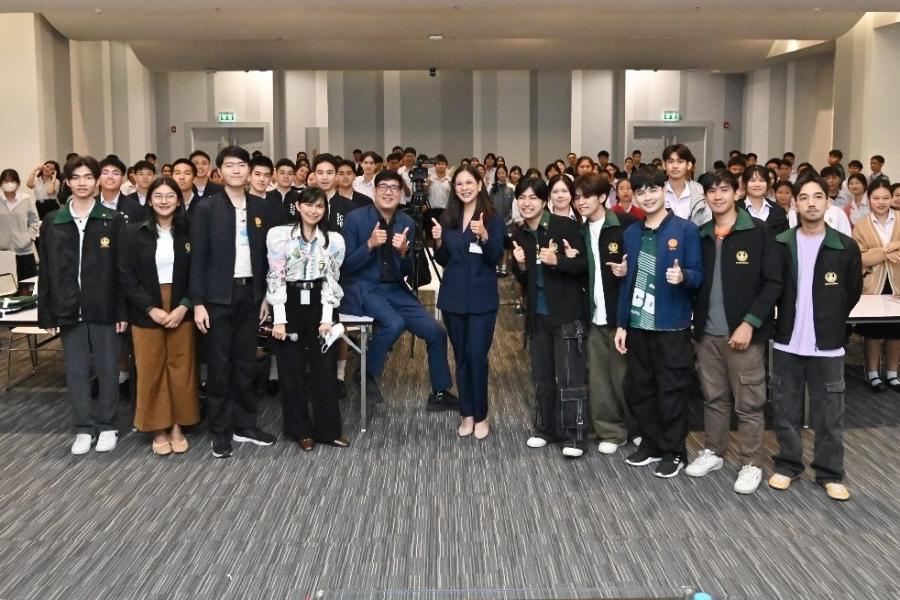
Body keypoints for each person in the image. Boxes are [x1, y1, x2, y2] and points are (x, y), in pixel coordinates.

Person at [686, 169, 782, 494]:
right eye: (711, 191)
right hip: (707, 332)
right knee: (713, 397)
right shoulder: (701, 235)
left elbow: (773, 282)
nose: (717, 196)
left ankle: (751, 462)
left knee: (749, 401)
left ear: (737, 192)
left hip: (744, 334)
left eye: (724, 189)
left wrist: (750, 322)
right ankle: (714, 450)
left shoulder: (758, 231)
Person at [769, 173, 862, 501]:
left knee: (830, 415)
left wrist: (830, 318)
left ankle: (830, 473)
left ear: (827, 202)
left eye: (818, 196)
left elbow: (852, 291)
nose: (811, 203)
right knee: (785, 408)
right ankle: (788, 465)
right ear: (794, 203)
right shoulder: (781, 243)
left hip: (828, 344)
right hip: (787, 342)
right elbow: (772, 287)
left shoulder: (845, 247)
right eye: (804, 197)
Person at [339, 170, 457, 410]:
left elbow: (406, 270)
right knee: (394, 323)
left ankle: (440, 393)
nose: (389, 192)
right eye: (383, 187)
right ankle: (365, 374)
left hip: (394, 289)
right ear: (375, 191)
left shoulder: (407, 223)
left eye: (394, 188)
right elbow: (346, 266)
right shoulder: (355, 219)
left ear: (400, 193)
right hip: (363, 287)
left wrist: (403, 253)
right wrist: (369, 244)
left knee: (436, 332)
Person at [190, 146, 279, 458]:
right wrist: (198, 302)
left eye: (242, 165)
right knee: (219, 366)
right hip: (217, 297)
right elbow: (197, 258)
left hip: (250, 294)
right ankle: (220, 430)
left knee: (245, 363)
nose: (237, 171)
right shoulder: (206, 208)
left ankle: (246, 425)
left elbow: (269, 257)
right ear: (219, 172)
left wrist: (265, 295)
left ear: (249, 171)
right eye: (230, 166)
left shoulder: (262, 207)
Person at [614, 167, 703, 478]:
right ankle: (650, 444)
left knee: (672, 391)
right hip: (638, 325)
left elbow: (698, 275)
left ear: (663, 191)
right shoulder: (631, 233)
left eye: (652, 190)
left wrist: (683, 276)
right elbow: (628, 283)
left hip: (671, 326)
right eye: (640, 192)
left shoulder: (685, 230)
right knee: (641, 389)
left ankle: (673, 451)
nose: (647, 197)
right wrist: (622, 324)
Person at [37, 156, 128, 455]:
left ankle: (108, 425)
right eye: (76, 177)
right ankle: (83, 428)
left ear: (97, 181)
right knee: (76, 372)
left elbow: (122, 270)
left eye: (88, 177)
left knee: (107, 369)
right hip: (68, 308)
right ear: (66, 182)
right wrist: (46, 312)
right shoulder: (54, 221)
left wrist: (122, 310)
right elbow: (46, 269)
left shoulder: (112, 219)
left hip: (104, 308)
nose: (82, 182)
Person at [510, 178, 589, 458]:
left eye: (533, 197)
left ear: (544, 201)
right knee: (542, 376)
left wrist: (560, 261)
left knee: (570, 378)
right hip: (537, 314)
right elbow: (524, 279)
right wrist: (520, 264)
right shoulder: (520, 233)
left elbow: (585, 267)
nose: (527, 203)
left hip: (566, 312)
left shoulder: (564, 226)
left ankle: (574, 436)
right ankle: (546, 429)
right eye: (522, 197)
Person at [120, 177, 199, 455]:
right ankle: (158, 427)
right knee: (151, 368)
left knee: (181, 367)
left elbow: (199, 272)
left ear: (179, 200)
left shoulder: (190, 231)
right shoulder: (132, 232)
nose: (164, 201)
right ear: (150, 200)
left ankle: (178, 424)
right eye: (158, 196)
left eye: (170, 196)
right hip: (146, 308)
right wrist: (150, 308)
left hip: (181, 307)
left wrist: (184, 306)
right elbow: (126, 277)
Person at [266, 186, 349, 450]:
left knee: (324, 368)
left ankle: (328, 430)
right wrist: (279, 319)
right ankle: (299, 430)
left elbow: (331, 280)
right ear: (299, 206)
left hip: (320, 303)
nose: (314, 210)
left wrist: (327, 318)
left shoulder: (333, 241)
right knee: (292, 370)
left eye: (319, 206)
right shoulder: (280, 237)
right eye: (309, 205)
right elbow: (276, 276)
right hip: (289, 302)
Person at [432, 166, 504, 439]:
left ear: (479, 184)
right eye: (459, 184)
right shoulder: (448, 217)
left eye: (469, 182)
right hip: (453, 298)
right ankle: (467, 413)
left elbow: (495, 257)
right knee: (461, 356)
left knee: (477, 356)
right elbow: (443, 260)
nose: (464, 188)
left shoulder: (492, 218)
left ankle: (481, 415)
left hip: (482, 299)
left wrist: (484, 236)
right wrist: (438, 242)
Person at [572, 174, 637, 455]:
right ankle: (610, 431)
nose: (580, 202)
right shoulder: (580, 232)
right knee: (599, 379)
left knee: (626, 377)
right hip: (594, 314)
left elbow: (643, 264)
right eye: (577, 197)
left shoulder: (625, 225)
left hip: (622, 315)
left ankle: (637, 428)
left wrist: (628, 270)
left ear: (602, 197)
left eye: (586, 196)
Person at [851, 179, 900, 392]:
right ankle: (872, 373)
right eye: (876, 198)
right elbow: (859, 257)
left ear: (892, 199)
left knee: (896, 331)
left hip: (898, 283)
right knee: (873, 331)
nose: (881, 202)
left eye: (886, 197)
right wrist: (884, 252)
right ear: (869, 199)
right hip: (873, 285)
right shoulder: (861, 226)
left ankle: (892, 373)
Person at [0, 169, 40, 283]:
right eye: (6, 181)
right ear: (1, 183)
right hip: (3, 251)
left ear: (17, 183)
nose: (9, 184)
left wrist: (29, 237)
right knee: (6, 285)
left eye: (12, 181)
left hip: (24, 249)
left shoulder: (26, 199)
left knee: (26, 284)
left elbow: (34, 221)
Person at [663, 144, 710, 226]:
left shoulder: (700, 193)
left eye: (680, 162)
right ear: (664, 165)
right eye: (671, 161)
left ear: (689, 165)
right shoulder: (657, 193)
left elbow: (707, 223)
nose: (675, 166)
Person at [741, 165, 789, 234]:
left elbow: (786, 237)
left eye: (762, 180)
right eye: (752, 181)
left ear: (767, 184)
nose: (757, 184)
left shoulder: (779, 211)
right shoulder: (736, 209)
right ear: (744, 184)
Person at [97, 155, 144, 224]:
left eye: (115, 173)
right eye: (105, 173)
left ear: (122, 178)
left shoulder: (135, 208)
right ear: (98, 178)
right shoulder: (89, 205)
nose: (110, 177)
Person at [267, 158, 300, 224]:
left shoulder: (300, 198)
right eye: (282, 173)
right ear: (276, 175)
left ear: (294, 176)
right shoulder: (266, 197)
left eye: (290, 174)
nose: (286, 176)